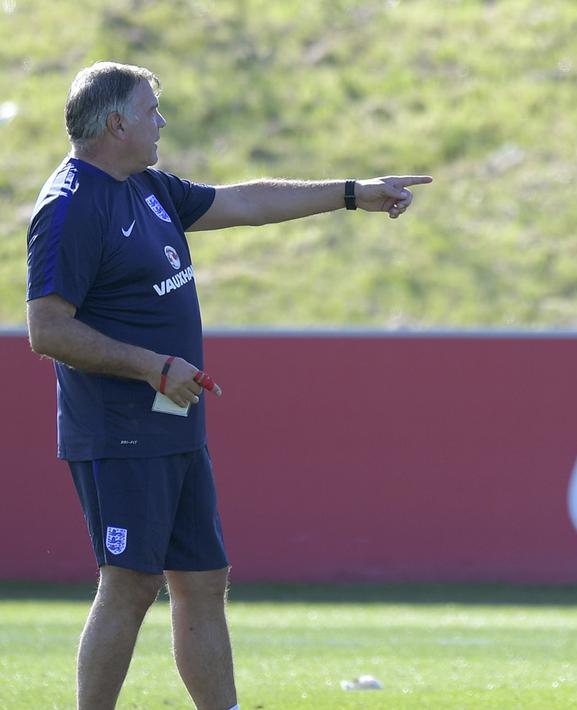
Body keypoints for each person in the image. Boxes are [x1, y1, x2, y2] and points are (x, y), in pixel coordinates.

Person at [24, 61, 432, 710]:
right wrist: (151, 366)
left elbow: (245, 201)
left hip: (175, 424)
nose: (162, 121)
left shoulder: (149, 188)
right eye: (150, 109)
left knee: (204, 579)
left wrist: (353, 193)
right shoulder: (70, 207)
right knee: (129, 585)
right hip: (120, 431)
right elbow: (46, 330)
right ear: (115, 122)